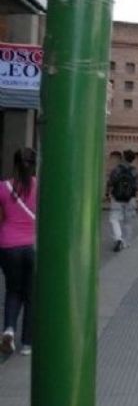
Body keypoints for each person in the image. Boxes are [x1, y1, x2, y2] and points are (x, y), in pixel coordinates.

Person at [0, 148, 37, 356]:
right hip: (30, 246)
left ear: (14, 163)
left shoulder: (3, 187)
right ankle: (27, 344)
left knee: (13, 290)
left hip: (7, 246)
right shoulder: (39, 186)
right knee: (30, 294)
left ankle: (9, 330)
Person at [106, 149, 138, 252]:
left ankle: (118, 238)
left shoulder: (117, 169)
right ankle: (126, 243)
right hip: (130, 199)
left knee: (114, 219)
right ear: (132, 159)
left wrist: (108, 194)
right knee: (128, 222)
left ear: (123, 157)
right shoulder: (135, 171)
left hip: (117, 198)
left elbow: (110, 182)